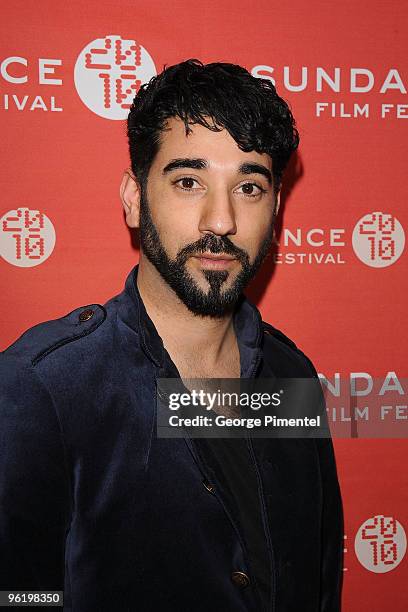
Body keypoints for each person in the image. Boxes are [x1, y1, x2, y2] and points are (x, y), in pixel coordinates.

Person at [0, 59, 343, 611]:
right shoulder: (47, 387)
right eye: (189, 182)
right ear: (135, 198)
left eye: (249, 187)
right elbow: (19, 594)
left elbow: (318, 576)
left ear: (275, 210)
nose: (221, 220)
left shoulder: (290, 373)